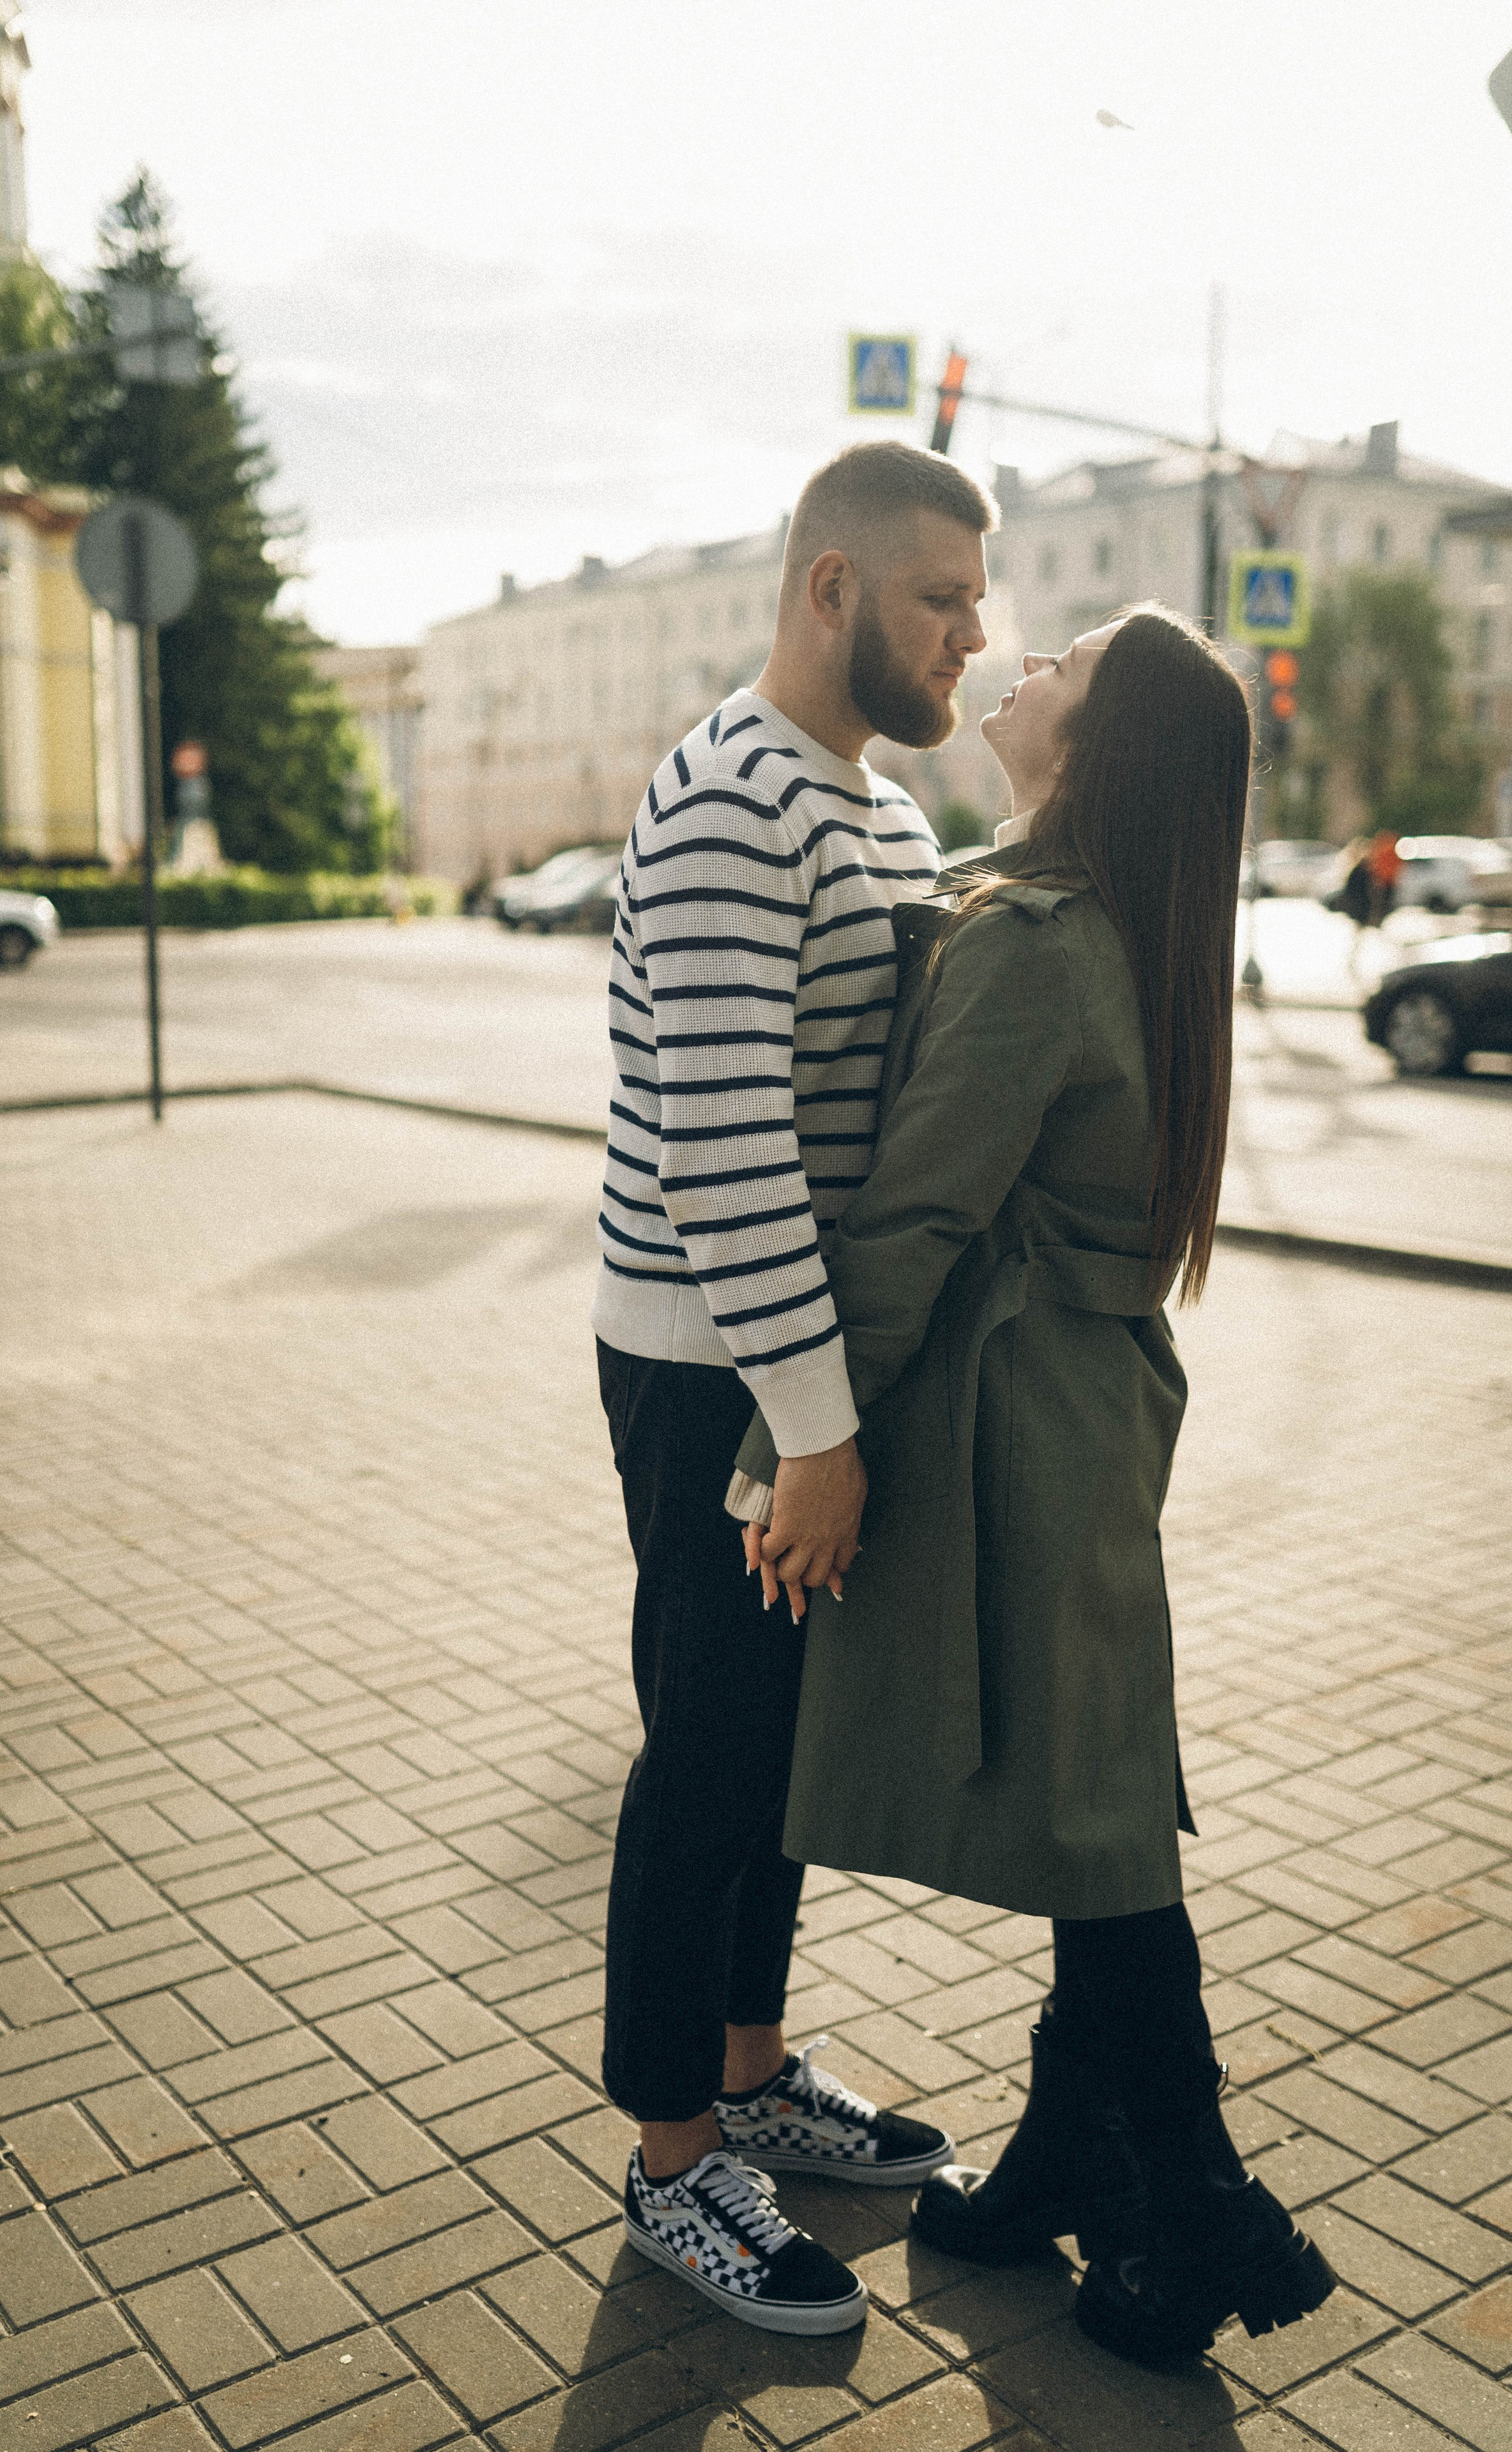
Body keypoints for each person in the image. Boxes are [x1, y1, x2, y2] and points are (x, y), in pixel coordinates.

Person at [728, 605, 1340, 2368]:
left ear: (1101, 743)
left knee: (1098, 1816)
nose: (1024, 661)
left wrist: (789, 1451)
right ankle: (1083, 2148)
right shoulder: (1119, 934)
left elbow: (912, 1222)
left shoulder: (1040, 945)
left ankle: (1203, 2196)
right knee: (1102, 1804)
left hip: (1019, 1427)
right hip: (1090, 1406)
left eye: (1064, 659)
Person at [593, 441, 995, 2334]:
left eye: (978, 604)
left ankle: (752, 2073)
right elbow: (724, 1155)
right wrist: (814, 1437)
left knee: (783, 1750)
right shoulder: (728, 802)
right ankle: (678, 2157)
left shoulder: (883, 812)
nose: (972, 638)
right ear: (832, 588)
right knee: (708, 1749)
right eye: (943, 599)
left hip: (801, 1370)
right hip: (712, 1368)